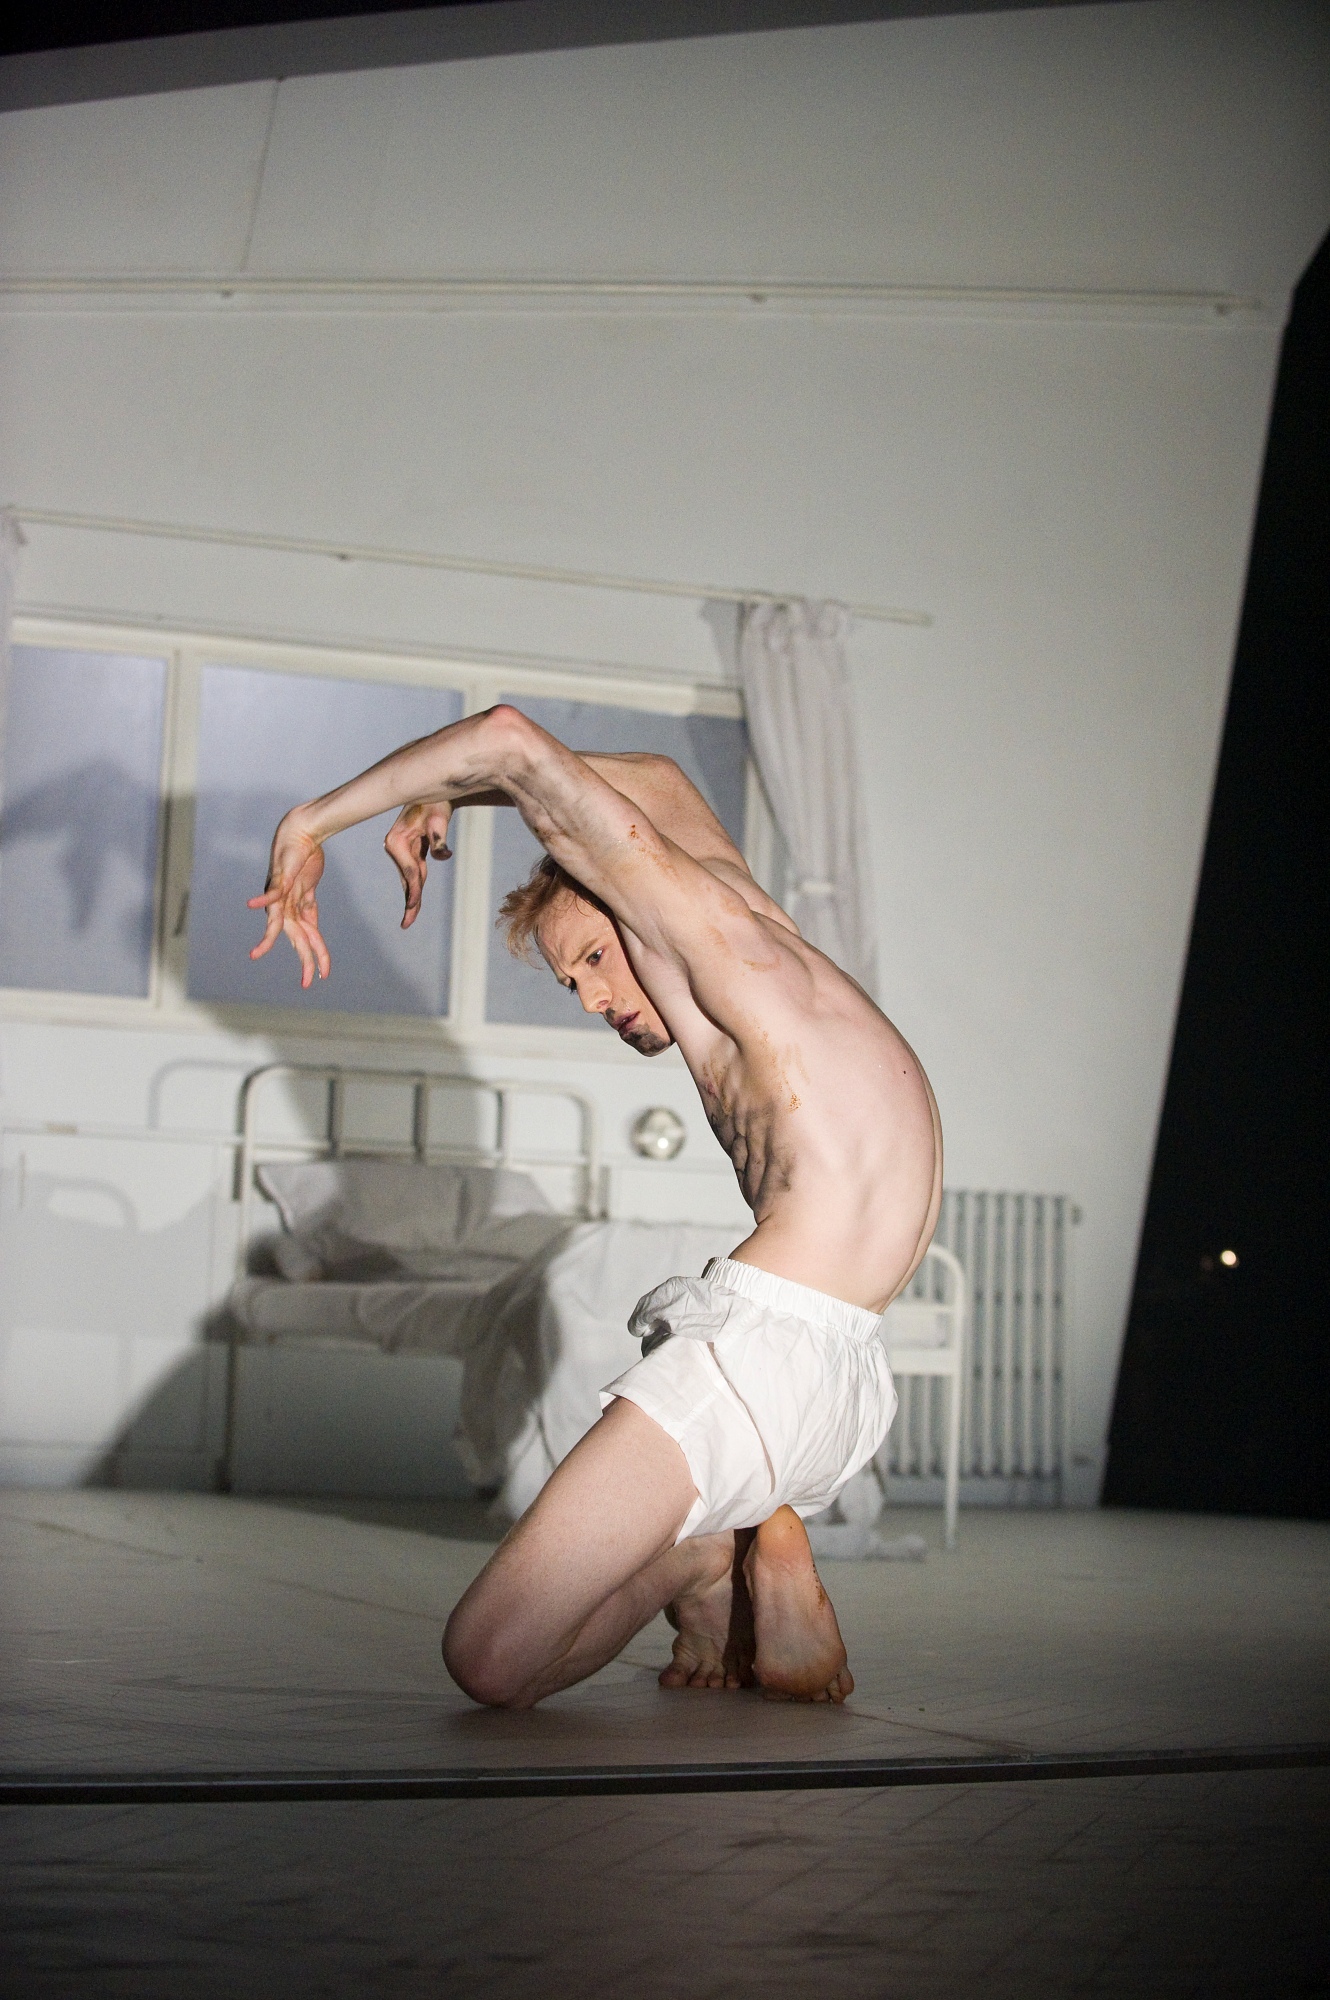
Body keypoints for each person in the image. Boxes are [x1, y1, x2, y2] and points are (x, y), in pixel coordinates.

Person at [251, 704, 941, 1708]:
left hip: (757, 1359)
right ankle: (734, 1535)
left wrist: (314, 820)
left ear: (638, 902)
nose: (588, 998)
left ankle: (697, 1562)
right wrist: (449, 796)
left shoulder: (707, 937)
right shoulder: (762, 936)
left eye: (591, 959)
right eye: (568, 978)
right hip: (848, 1379)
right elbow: (657, 775)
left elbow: (510, 738)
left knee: (488, 1660)